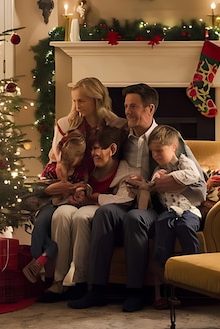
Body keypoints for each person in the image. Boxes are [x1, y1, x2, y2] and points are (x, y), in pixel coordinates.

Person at [68, 83, 206, 312]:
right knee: (104, 214)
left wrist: (163, 184)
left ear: (150, 109)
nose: (127, 111)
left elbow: (199, 185)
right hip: (123, 200)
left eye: (133, 106)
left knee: (135, 218)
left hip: (157, 207)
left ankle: (135, 292)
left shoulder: (169, 137)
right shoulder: (123, 137)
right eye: (125, 106)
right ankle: (97, 289)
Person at [39, 125, 139, 302]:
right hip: (77, 203)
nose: (94, 153)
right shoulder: (87, 167)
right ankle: (58, 281)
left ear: (113, 149)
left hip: (97, 208)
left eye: (99, 148)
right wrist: (74, 194)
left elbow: (125, 198)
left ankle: (80, 281)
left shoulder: (126, 171)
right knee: (61, 214)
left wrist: (95, 198)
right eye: (92, 148)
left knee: (81, 217)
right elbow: (72, 182)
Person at [128, 124, 206, 309]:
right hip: (169, 211)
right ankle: (159, 269)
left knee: (184, 227)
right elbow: (154, 187)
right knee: (162, 226)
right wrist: (147, 183)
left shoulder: (183, 161)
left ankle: (194, 265)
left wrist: (169, 178)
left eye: (159, 151)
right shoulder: (158, 169)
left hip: (188, 210)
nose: (155, 155)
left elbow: (193, 175)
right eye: (152, 151)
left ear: (173, 147)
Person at [22, 130, 90, 284]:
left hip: (66, 205)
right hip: (49, 205)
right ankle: (41, 257)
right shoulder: (52, 169)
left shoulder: (79, 172)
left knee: (50, 222)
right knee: (40, 225)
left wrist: (77, 194)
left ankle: (40, 262)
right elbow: (41, 189)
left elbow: (82, 188)